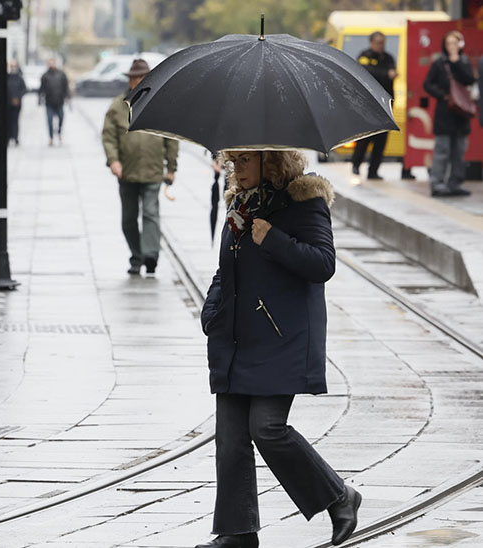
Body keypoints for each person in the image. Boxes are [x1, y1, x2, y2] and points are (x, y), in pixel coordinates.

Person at [195, 150, 361, 548]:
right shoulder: (240, 201)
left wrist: (273, 239)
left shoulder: (305, 202)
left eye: (246, 161)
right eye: (233, 162)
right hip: (235, 334)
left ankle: (340, 497)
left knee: (267, 428)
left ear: (271, 162)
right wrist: (212, 308)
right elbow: (226, 268)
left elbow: (323, 264)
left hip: (280, 334)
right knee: (231, 437)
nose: (238, 169)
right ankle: (237, 531)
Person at [102, 59, 178, 277]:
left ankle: (150, 255)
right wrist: (113, 160)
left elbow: (171, 138)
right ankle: (136, 255)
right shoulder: (118, 106)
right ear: (129, 80)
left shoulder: (160, 104)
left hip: (153, 170)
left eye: (141, 77)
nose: (137, 81)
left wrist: (171, 167)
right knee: (129, 217)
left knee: (151, 213)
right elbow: (109, 137)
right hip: (126, 171)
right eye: (134, 78)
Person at [423, 30, 476, 197]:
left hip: (461, 113)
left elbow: (469, 79)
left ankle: (455, 183)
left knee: (459, 151)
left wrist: (457, 62)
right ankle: (437, 182)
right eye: (449, 43)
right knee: (442, 150)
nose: (452, 47)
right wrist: (443, 95)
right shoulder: (439, 63)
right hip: (445, 112)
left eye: (455, 43)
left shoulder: (465, 61)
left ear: (460, 45)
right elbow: (427, 84)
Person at [351, 32, 397, 180]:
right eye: (377, 42)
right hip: (368, 105)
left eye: (382, 42)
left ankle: (373, 170)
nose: (380, 45)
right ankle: (356, 164)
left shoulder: (388, 58)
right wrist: (386, 74)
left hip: (384, 106)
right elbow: (367, 72)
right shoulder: (365, 56)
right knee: (364, 138)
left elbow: (393, 74)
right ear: (371, 43)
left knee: (381, 141)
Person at [39, 58, 70, 146]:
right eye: (50, 63)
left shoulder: (61, 74)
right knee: (49, 120)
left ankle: (59, 133)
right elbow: (41, 89)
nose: (51, 64)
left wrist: (67, 96)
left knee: (61, 118)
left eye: (53, 62)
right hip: (49, 102)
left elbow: (65, 86)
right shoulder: (45, 76)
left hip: (59, 101)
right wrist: (40, 99)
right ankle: (51, 137)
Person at [7, 60, 28, 146]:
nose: (13, 68)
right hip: (7, 103)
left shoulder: (19, 78)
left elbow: (24, 89)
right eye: (11, 66)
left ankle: (15, 137)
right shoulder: (7, 77)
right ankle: (8, 137)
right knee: (7, 121)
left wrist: (17, 98)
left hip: (16, 104)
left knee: (15, 121)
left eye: (14, 66)